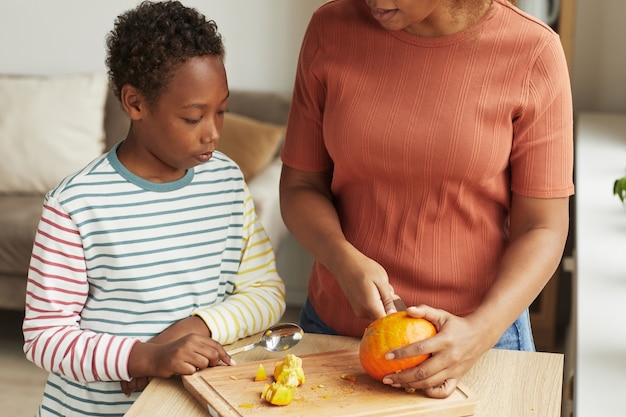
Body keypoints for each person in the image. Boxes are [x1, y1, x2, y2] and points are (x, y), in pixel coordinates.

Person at [279, 0, 573, 398]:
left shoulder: (534, 52)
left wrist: (478, 333)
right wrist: (340, 257)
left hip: (479, 344)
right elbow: (300, 186)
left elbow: (543, 226)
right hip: (336, 336)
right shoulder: (329, 29)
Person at [22, 2, 286, 416]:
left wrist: (191, 330)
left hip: (192, 406)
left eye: (222, 111)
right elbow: (45, 338)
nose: (214, 133)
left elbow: (266, 292)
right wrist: (145, 357)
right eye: (193, 117)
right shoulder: (75, 205)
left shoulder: (227, 181)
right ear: (135, 103)